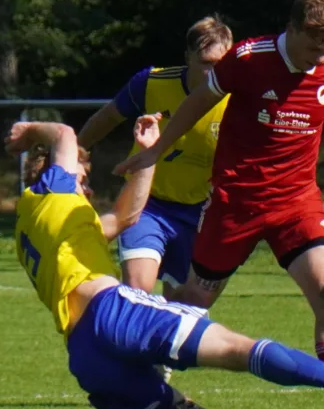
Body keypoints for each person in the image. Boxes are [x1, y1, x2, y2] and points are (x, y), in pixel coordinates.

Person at [114, 0, 324, 409]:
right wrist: (156, 151)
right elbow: (197, 103)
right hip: (236, 203)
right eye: (312, 48)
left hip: (296, 202)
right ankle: (140, 370)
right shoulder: (248, 59)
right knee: (192, 304)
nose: (318, 59)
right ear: (291, 30)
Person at [7, 119, 324, 409]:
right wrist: (30, 133)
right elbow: (62, 133)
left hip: (84, 351)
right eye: (82, 178)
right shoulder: (51, 190)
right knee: (238, 350)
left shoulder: (42, 222)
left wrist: (148, 155)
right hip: (113, 311)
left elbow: (127, 216)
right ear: (50, 173)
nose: (87, 189)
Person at [77, 16, 232, 297]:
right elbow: (109, 116)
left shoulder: (239, 99)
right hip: (146, 204)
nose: (214, 74)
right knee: (138, 292)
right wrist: (74, 151)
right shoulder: (151, 83)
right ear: (188, 57)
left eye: (221, 64)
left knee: (183, 307)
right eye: (206, 63)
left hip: (199, 213)